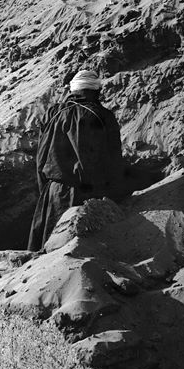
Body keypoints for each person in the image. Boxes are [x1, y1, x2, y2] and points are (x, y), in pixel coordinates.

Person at [28, 70, 124, 251]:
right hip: (88, 194)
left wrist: (44, 190)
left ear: (73, 90)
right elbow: (113, 160)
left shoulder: (53, 113)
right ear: (96, 91)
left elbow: (41, 157)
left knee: (50, 251)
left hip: (54, 191)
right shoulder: (102, 116)